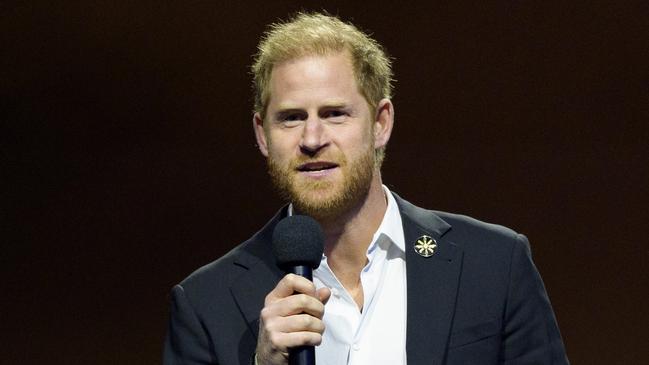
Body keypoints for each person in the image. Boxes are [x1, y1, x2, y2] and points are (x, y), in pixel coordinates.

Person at [163, 12, 569, 365]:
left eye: (335, 113)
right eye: (290, 118)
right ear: (262, 134)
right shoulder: (204, 304)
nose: (312, 138)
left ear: (381, 123)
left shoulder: (494, 265)